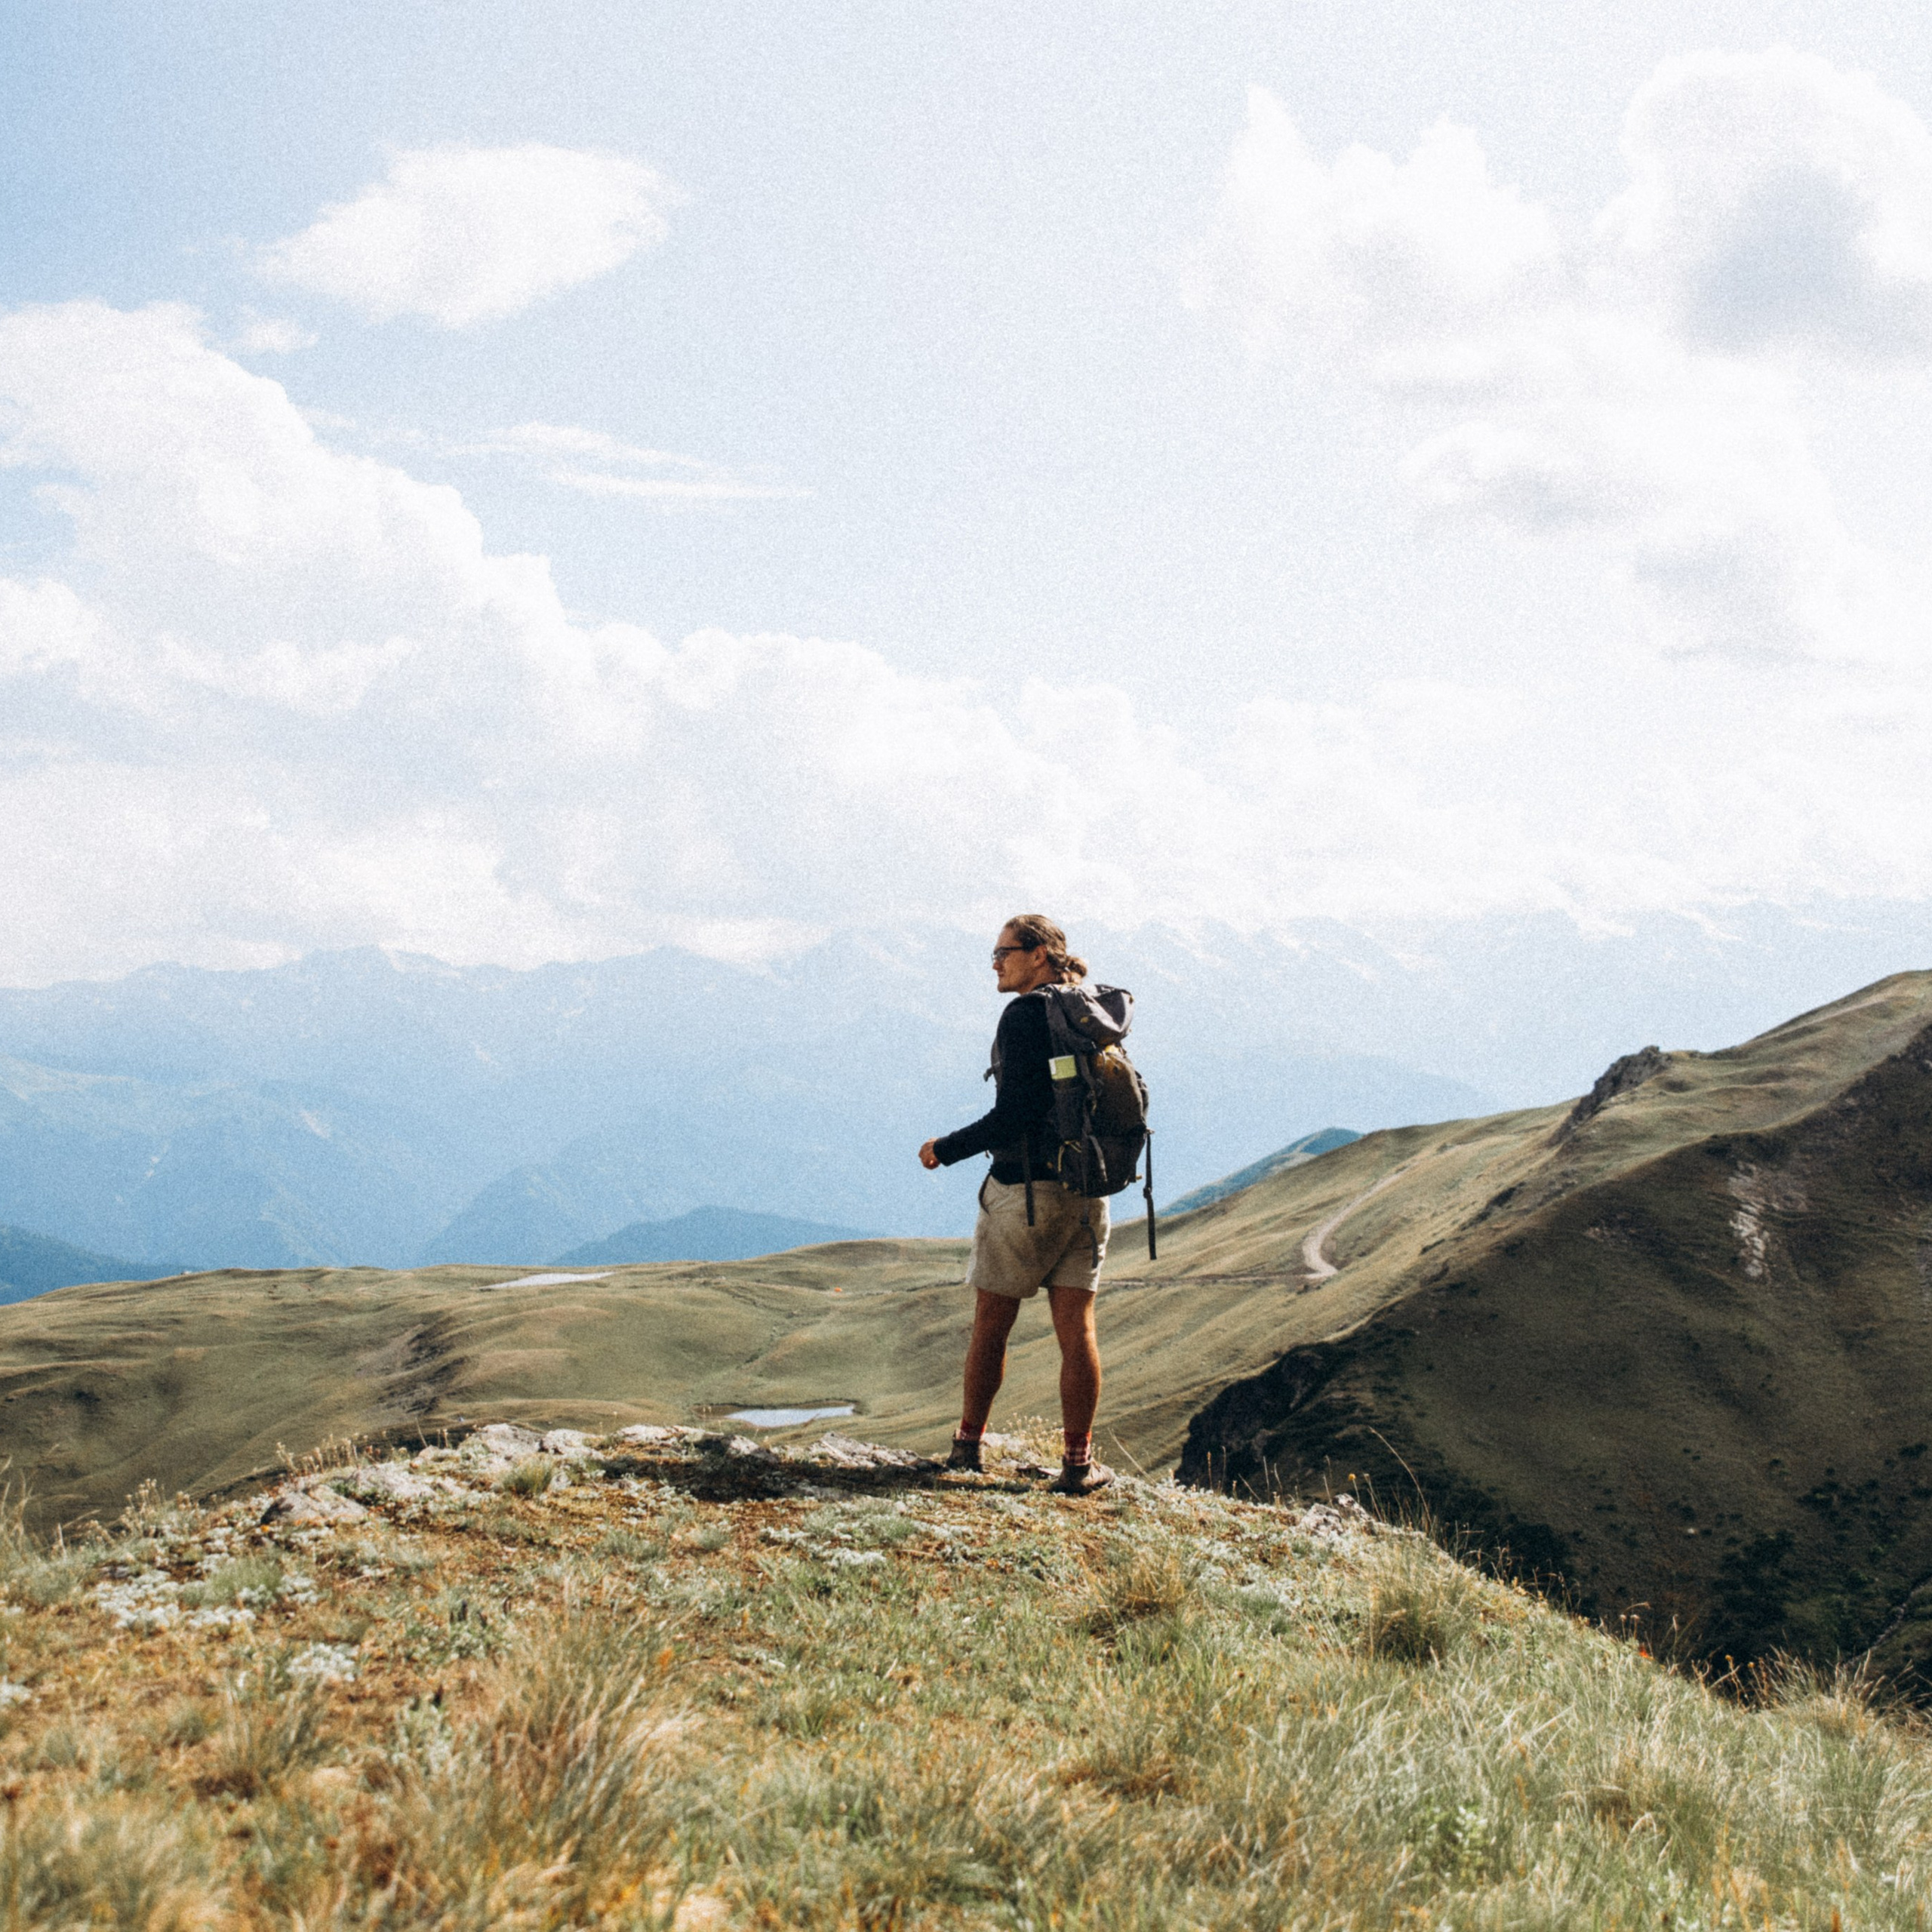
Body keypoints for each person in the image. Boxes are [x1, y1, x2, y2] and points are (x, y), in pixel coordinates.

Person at [919, 913, 1113, 1495]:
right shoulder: (1087, 1008)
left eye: (1003, 952)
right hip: (1088, 1189)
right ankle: (1078, 1466)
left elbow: (1017, 1113)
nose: (997, 964)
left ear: (1038, 955)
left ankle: (966, 1448)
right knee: (1077, 1330)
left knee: (992, 1325)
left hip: (1025, 1192)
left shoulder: (1026, 1014)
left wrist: (944, 1149)